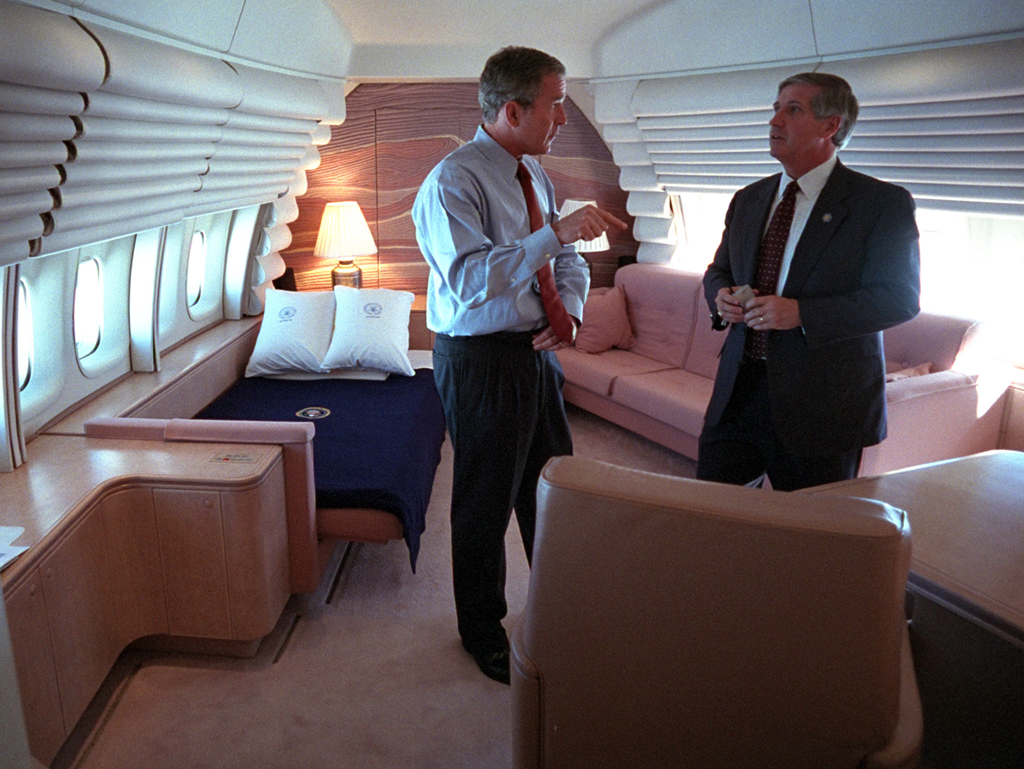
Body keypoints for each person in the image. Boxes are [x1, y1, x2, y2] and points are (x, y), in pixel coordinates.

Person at [412, 46, 627, 684]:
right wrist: (556, 234)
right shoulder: (453, 181)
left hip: (537, 352)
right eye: (556, 104)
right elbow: (471, 279)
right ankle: (482, 630)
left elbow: (566, 263)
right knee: (484, 500)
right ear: (513, 109)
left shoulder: (535, 175)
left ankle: (559, 606)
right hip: (479, 360)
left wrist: (572, 318)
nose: (564, 117)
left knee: (551, 487)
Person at [697, 72, 921, 492]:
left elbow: (899, 300)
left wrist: (802, 313)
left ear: (830, 126)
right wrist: (720, 297)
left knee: (810, 537)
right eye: (775, 108)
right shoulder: (748, 199)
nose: (774, 120)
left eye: (793, 110)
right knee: (710, 517)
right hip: (738, 393)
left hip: (823, 407)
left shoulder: (880, 204)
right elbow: (717, 271)